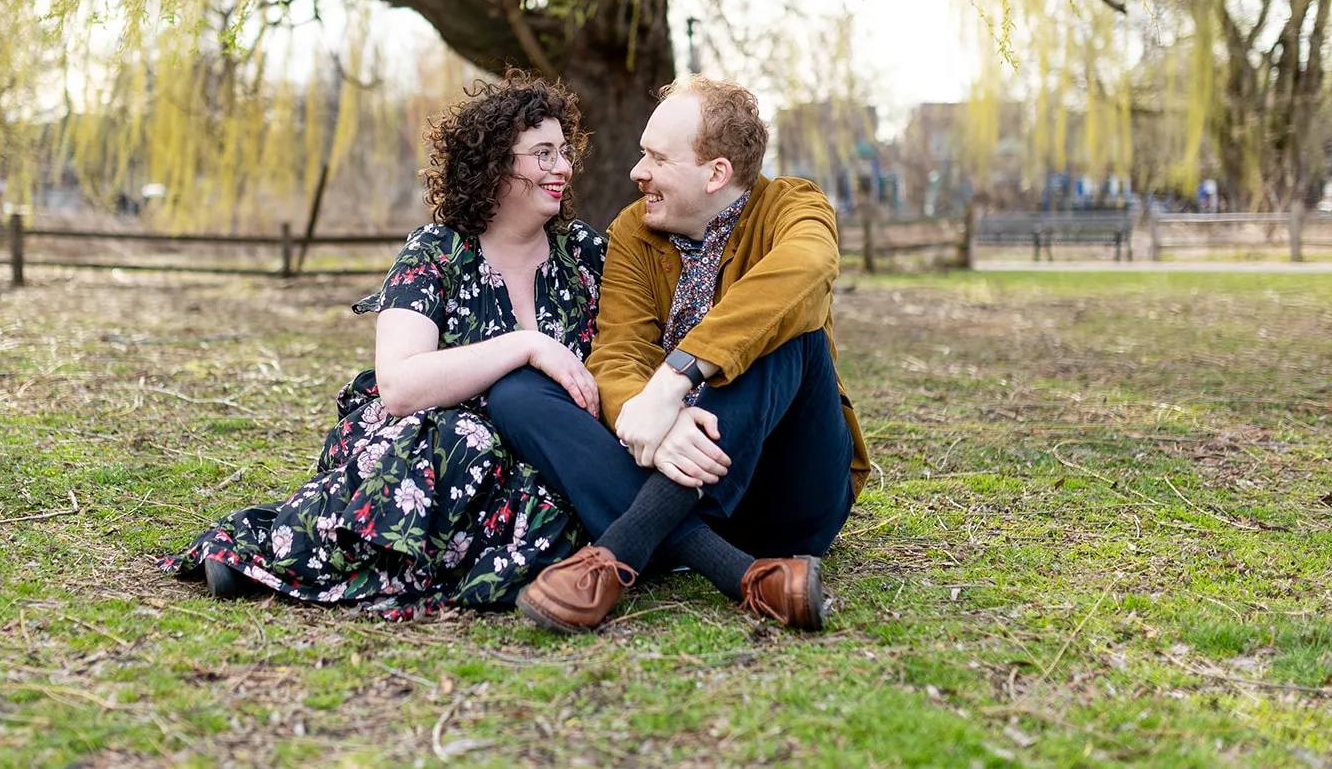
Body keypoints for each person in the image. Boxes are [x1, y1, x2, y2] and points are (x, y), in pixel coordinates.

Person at [158, 74, 607, 619]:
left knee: (545, 491)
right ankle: (287, 553)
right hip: (436, 440)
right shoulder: (436, 252)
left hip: (545, 448)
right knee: (463, 440)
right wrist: (526, 345)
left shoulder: (585, 254)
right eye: (542, 153)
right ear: (494, 164)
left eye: (563, 152)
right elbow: (399, 386)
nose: (561, 167)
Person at [486, 76, 871, 632]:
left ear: (716, 173)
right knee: (519, 391)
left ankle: (618, 551)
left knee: (785, 329)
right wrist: (657, 418)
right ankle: (744, 575)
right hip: (673, 473)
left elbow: (808, 269)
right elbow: (617, 354)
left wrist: (674, 379)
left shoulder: (794, 205)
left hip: (790, 495)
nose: (637, 173)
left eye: (656, 159)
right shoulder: (634, 232)